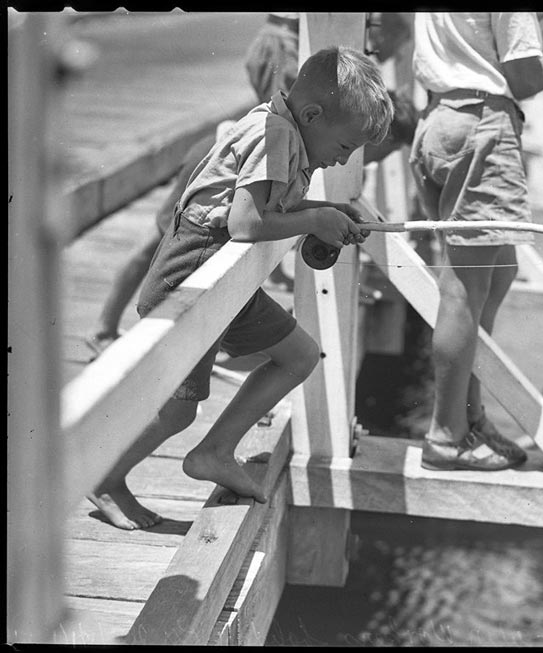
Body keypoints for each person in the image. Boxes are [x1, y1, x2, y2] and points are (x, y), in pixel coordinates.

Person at [87, 46, 394, 530]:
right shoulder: (274, 136)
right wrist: (314, 217)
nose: (343, 161)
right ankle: (108, 476)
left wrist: (327, 211)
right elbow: (247, 223)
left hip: (224, 280)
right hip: (192, 278)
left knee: (297, 356)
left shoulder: (288, 130)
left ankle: (214, 450)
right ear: (312, 115)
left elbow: (267, 204)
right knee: (178, 409)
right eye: (344, 147)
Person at [409, 13, 543, 471]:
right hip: (483, 126)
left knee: (495, 275)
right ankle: (446, 435)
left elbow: (490, 56)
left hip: (440, 119)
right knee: (465, 289)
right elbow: (522, 79)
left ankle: (468, 415)